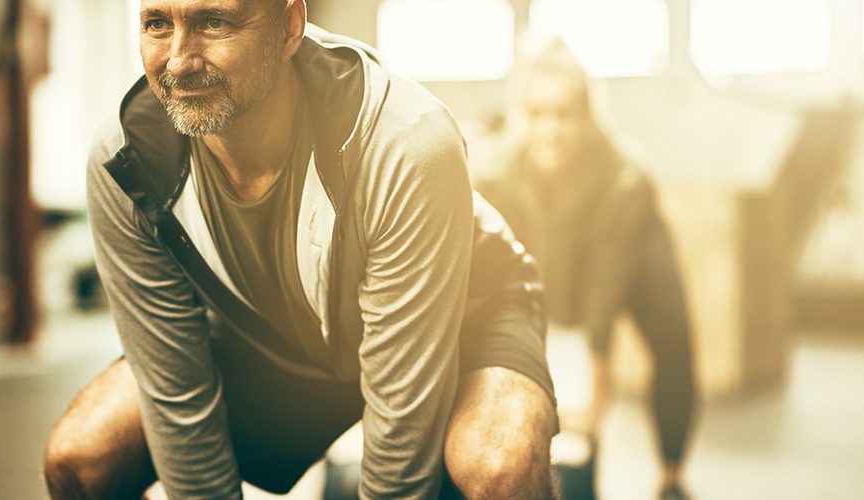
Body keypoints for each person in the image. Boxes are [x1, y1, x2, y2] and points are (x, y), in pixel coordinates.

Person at [43, 1, 559, 498]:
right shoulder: (127, 163)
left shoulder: (406, 143)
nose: (179, 59)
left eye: (214, 21)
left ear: (290, 25)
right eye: (157, 23)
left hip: (463, 314)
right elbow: (177, 399)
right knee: (81, 457)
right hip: (276, 338)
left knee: (497, 465)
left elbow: (400, 460)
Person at [475, 39, 697, 500]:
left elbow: (604, 292)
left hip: (628, 252)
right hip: (550, 265)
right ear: (520, 116)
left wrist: (594, 398)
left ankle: (672, 473)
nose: (550, 129)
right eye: (537, 114)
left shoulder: (626, 180)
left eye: (564, 114)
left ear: (588, 116)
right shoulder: (493, 173)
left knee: (674, 332)